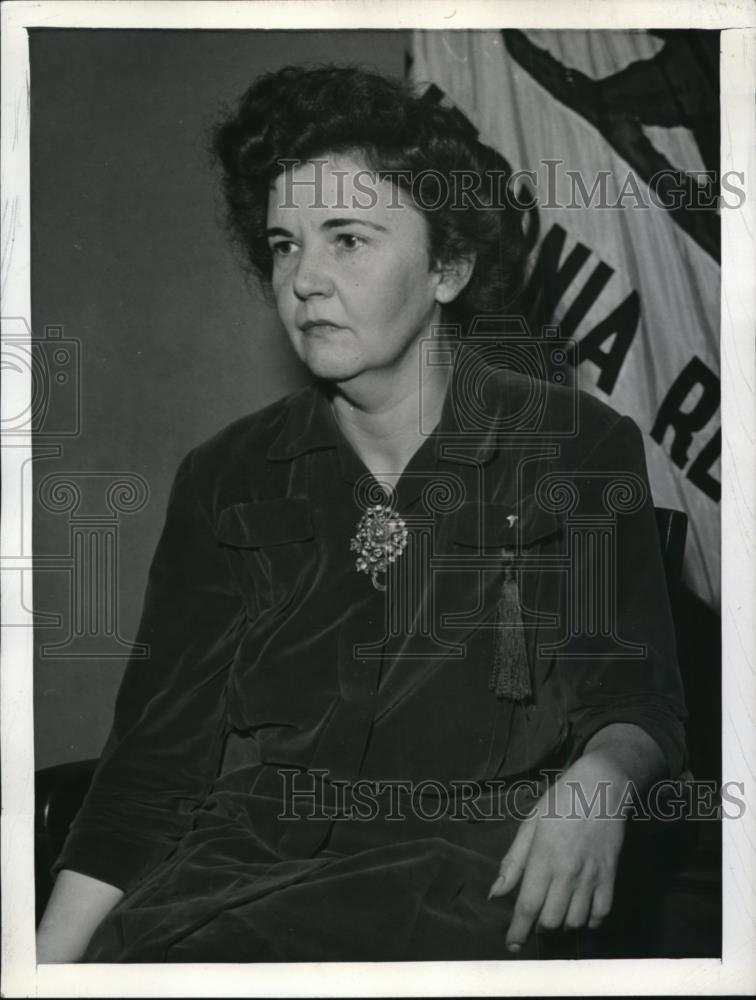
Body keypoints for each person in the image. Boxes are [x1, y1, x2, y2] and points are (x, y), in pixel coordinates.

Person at [36, 65, 687, 963]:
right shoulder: (224, 477)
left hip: (469, 872)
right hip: (235, 875)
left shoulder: (575, 448)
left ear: (449, 265)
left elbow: (638, 705)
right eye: (283, 244)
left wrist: (602, 779)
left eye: (347, 239)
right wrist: (39, 974)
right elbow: (152, 772)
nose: (303, 280)